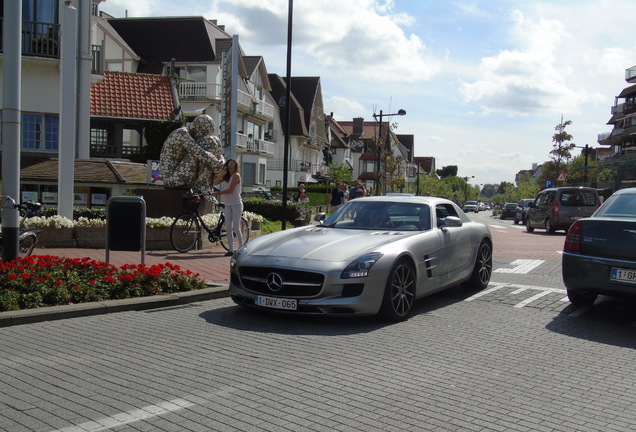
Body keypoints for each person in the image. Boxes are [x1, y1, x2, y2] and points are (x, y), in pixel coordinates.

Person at [159, 114, 225, 202]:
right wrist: (217, 165)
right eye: (204, 133)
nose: (203, 136)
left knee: (215, 140)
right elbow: (198, 152)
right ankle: (203, 186)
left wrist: (222, 161)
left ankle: (205, 186)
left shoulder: (192, 136)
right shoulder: (181, 133)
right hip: (172, 179)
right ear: (199, 127)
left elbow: (214, 155)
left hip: (186, 176)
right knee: (208, 141)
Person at [212, 159, 243, 256]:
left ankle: (241, 249)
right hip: (228, 204)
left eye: (233, 164)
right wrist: (222, 174)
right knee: (228, 227)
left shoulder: (236, 176)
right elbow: (215, 182)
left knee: (236, 228)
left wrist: (218, 193)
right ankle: (231, 249)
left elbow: (230, 190)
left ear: (236, 166)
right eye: (229, 164)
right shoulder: (226, 177)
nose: (231, 166)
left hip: (236, 204)